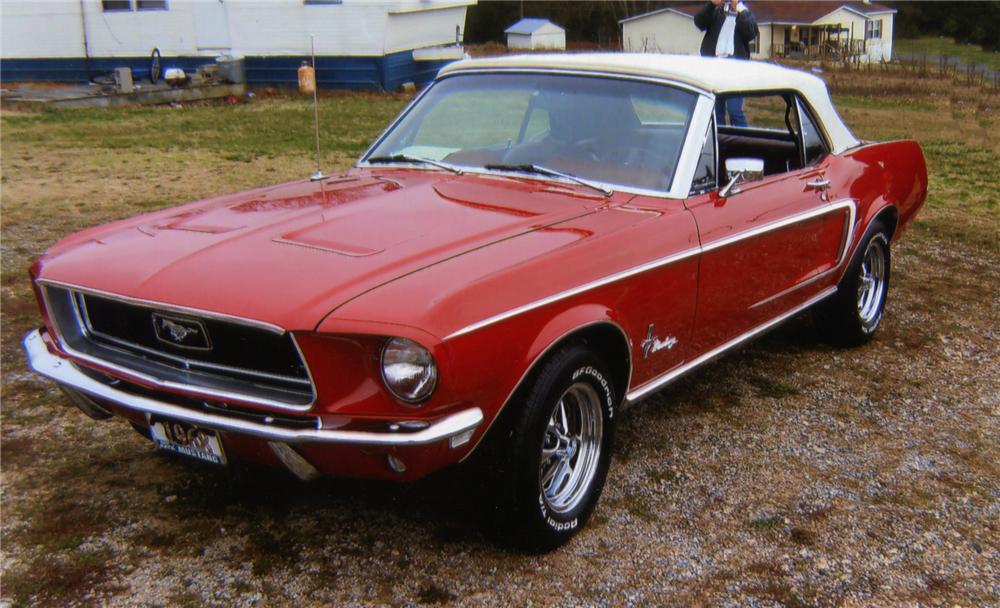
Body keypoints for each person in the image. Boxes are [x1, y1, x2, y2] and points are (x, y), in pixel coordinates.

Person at [694, 0, 758, 127]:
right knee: (716, 112)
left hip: (735, 68)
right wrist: (712, 5)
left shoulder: (744, 12)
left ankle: (745, 142)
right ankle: (720, 142)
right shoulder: (717, 11)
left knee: (734, 111)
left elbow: (750, 33)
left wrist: (737, 10)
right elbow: (699, 23)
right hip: (714, 65)